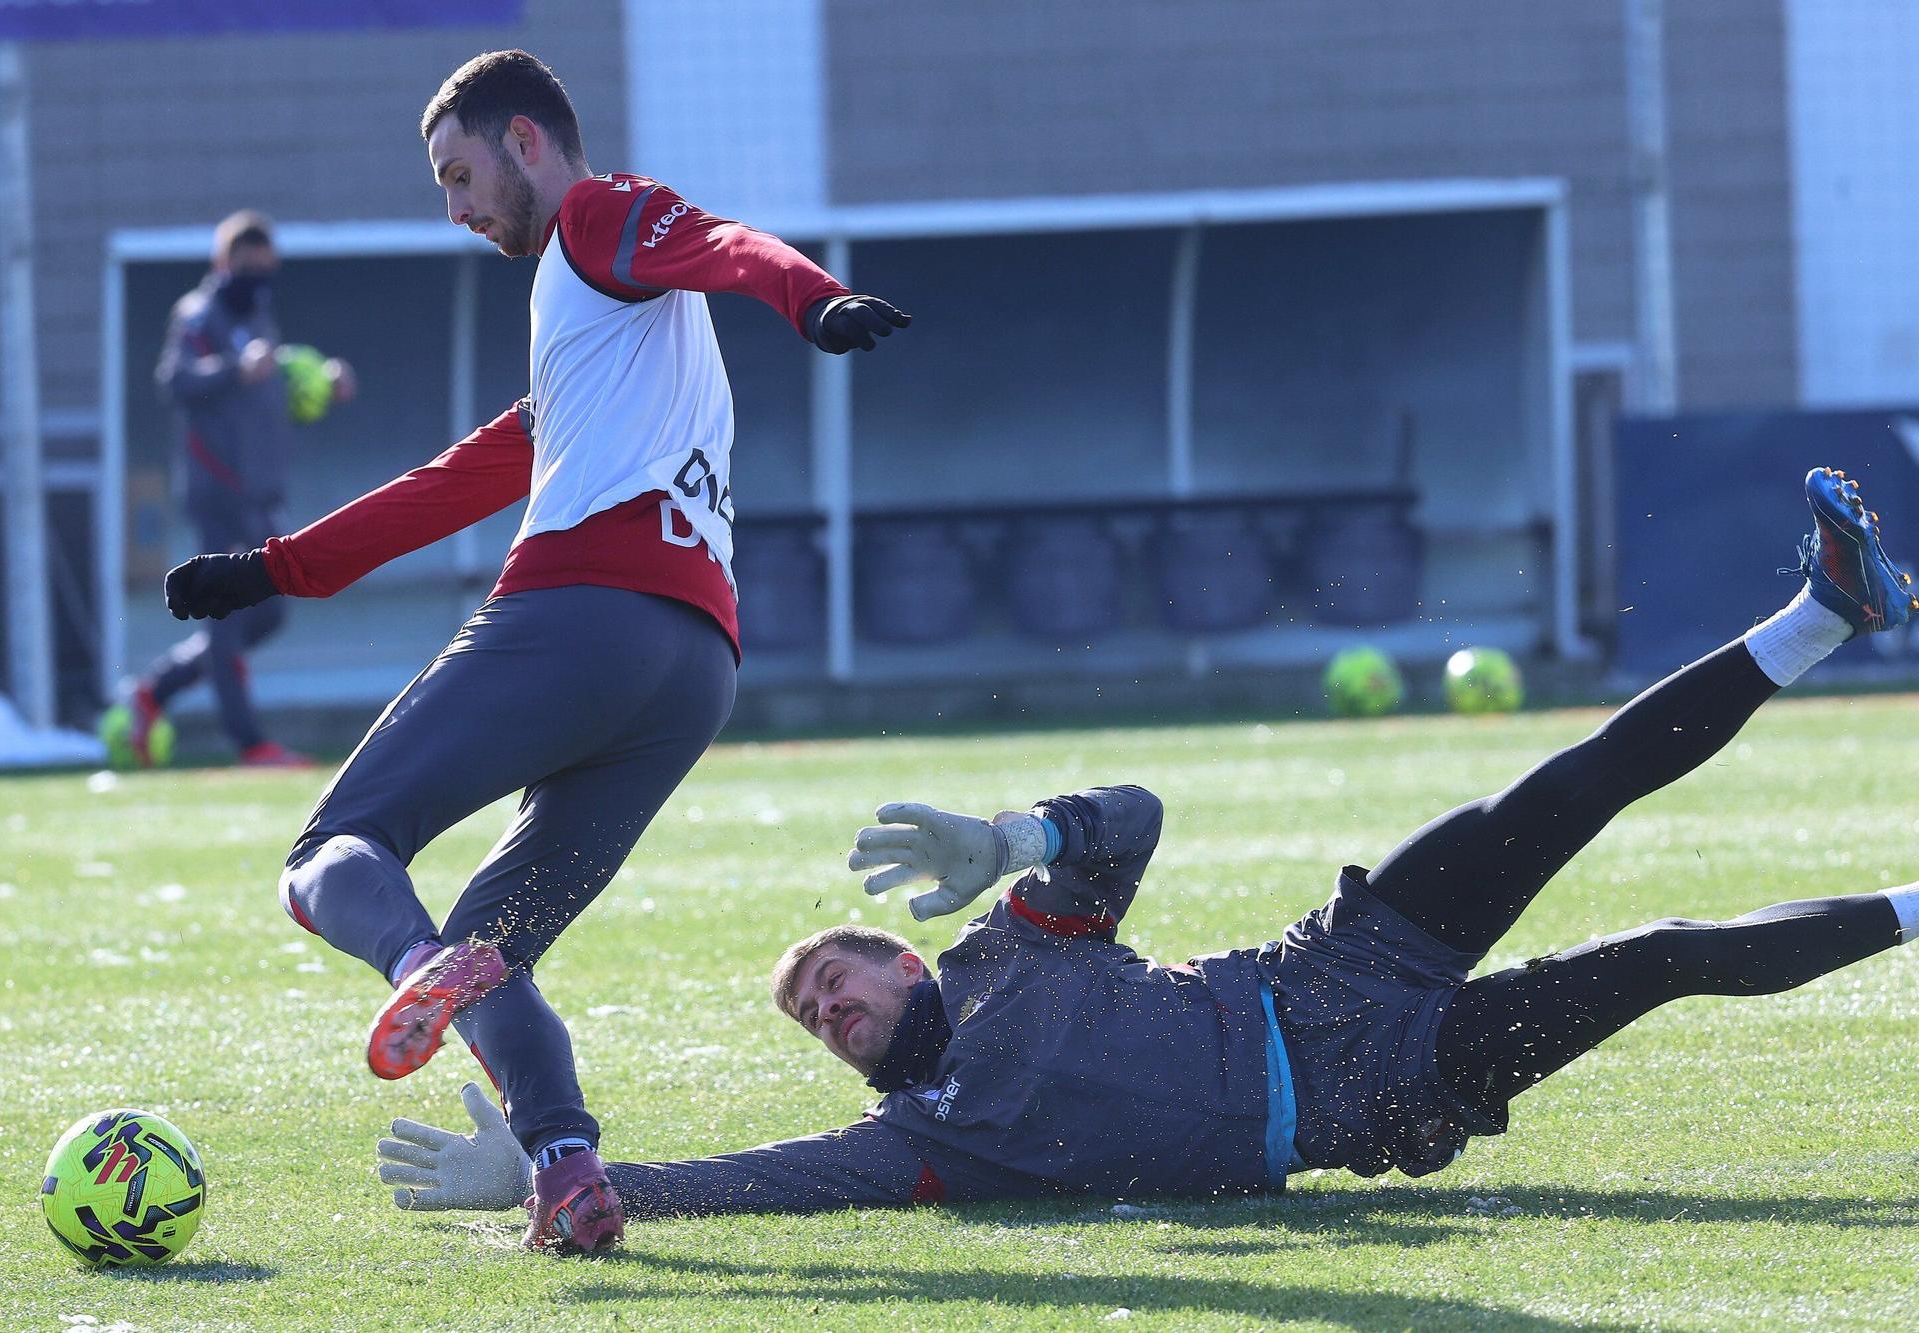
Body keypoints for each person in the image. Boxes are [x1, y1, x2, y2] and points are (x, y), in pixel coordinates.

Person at [375, 467, 1919, 1229]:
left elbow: (1136, 827)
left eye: (836, 976)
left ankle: (1824, 610)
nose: (831, 1009)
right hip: (1371, 1086)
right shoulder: (927, 1138)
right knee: (1654, 961)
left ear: (904, 949)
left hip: (1336, 962)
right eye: (816, 1016)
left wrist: (1008, 832)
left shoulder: (1003, 945)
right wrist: (562, 1160)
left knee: (1567, 785)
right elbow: (746, 1185)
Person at [158, 49, 909, 1254]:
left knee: (328, 854)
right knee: (496, 951)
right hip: (694, 669)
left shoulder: (600, 219)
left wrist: (812, 298)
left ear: (524, 141)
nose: (456, 211)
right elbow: (460, 477)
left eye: (457, 176)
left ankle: (416, 961)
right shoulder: (595, 334)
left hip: (581, 618)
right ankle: (568, 1173)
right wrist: (275, 568)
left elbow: (725, 243)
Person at [104, 210, 357, 769]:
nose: (258, 279)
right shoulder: (198, 315)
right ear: (223, 263)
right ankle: (250, 743)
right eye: (248, 268)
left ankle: (153, 691)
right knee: (226, 613)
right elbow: (176, 379)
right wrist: (232, 369)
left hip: (262, 493)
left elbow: (280, 384)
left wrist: (324, 381)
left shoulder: (260, 314)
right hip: (218, 491)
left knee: (267, 614)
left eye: (267, 269)